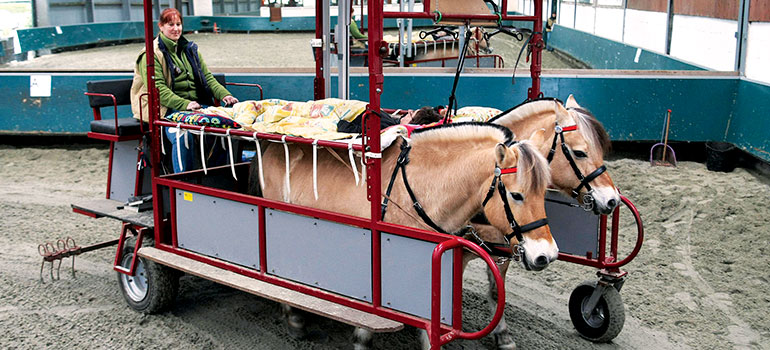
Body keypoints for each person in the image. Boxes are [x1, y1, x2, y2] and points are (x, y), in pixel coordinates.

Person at [130, 8, 239, 173]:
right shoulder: (150, 55)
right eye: (170, 24)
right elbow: (159, 90)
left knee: (226, 127)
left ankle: (218, 176)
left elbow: (207, 78)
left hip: (196, 107)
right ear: (160, 26)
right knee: (182, 135)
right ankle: (183, 181)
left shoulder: (190, 50)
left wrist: (225, 95)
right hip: (166, 110)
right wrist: (185, 104)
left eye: (178, 24)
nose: (176, 28)